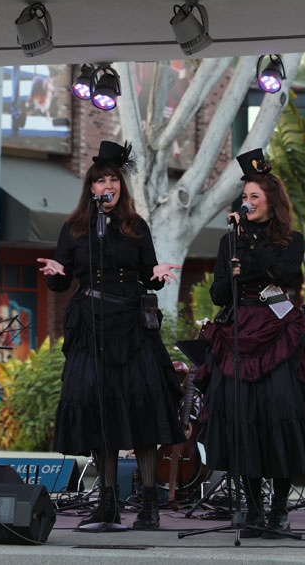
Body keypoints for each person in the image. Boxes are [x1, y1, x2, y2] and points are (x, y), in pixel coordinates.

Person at [37, 141, 184, 532]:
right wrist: (56, 273)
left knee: (142, 406)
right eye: (101, 179)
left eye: (113, 178)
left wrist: (157, 272)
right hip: (90, 322)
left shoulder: (136, 226)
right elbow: (64, 280)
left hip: (131, 324)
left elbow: (149, 268)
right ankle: (107, 500)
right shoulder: (75, 228)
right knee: (96, 404)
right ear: (90, 187)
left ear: (121, 185)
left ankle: (150, 501)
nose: (108, 184)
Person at [196, 148, 305, 539]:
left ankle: (280, 510)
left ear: (271, 201)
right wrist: (232, 272)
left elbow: (285, 272)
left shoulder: (291, 239)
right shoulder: (228, 241)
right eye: (244, 197)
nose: (247, 203)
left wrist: (249, 247)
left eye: (254, 197)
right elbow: (219, 295)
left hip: (278, 330)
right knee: (242, 421)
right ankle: (251, 509)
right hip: (239, 329)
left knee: (279, 418)